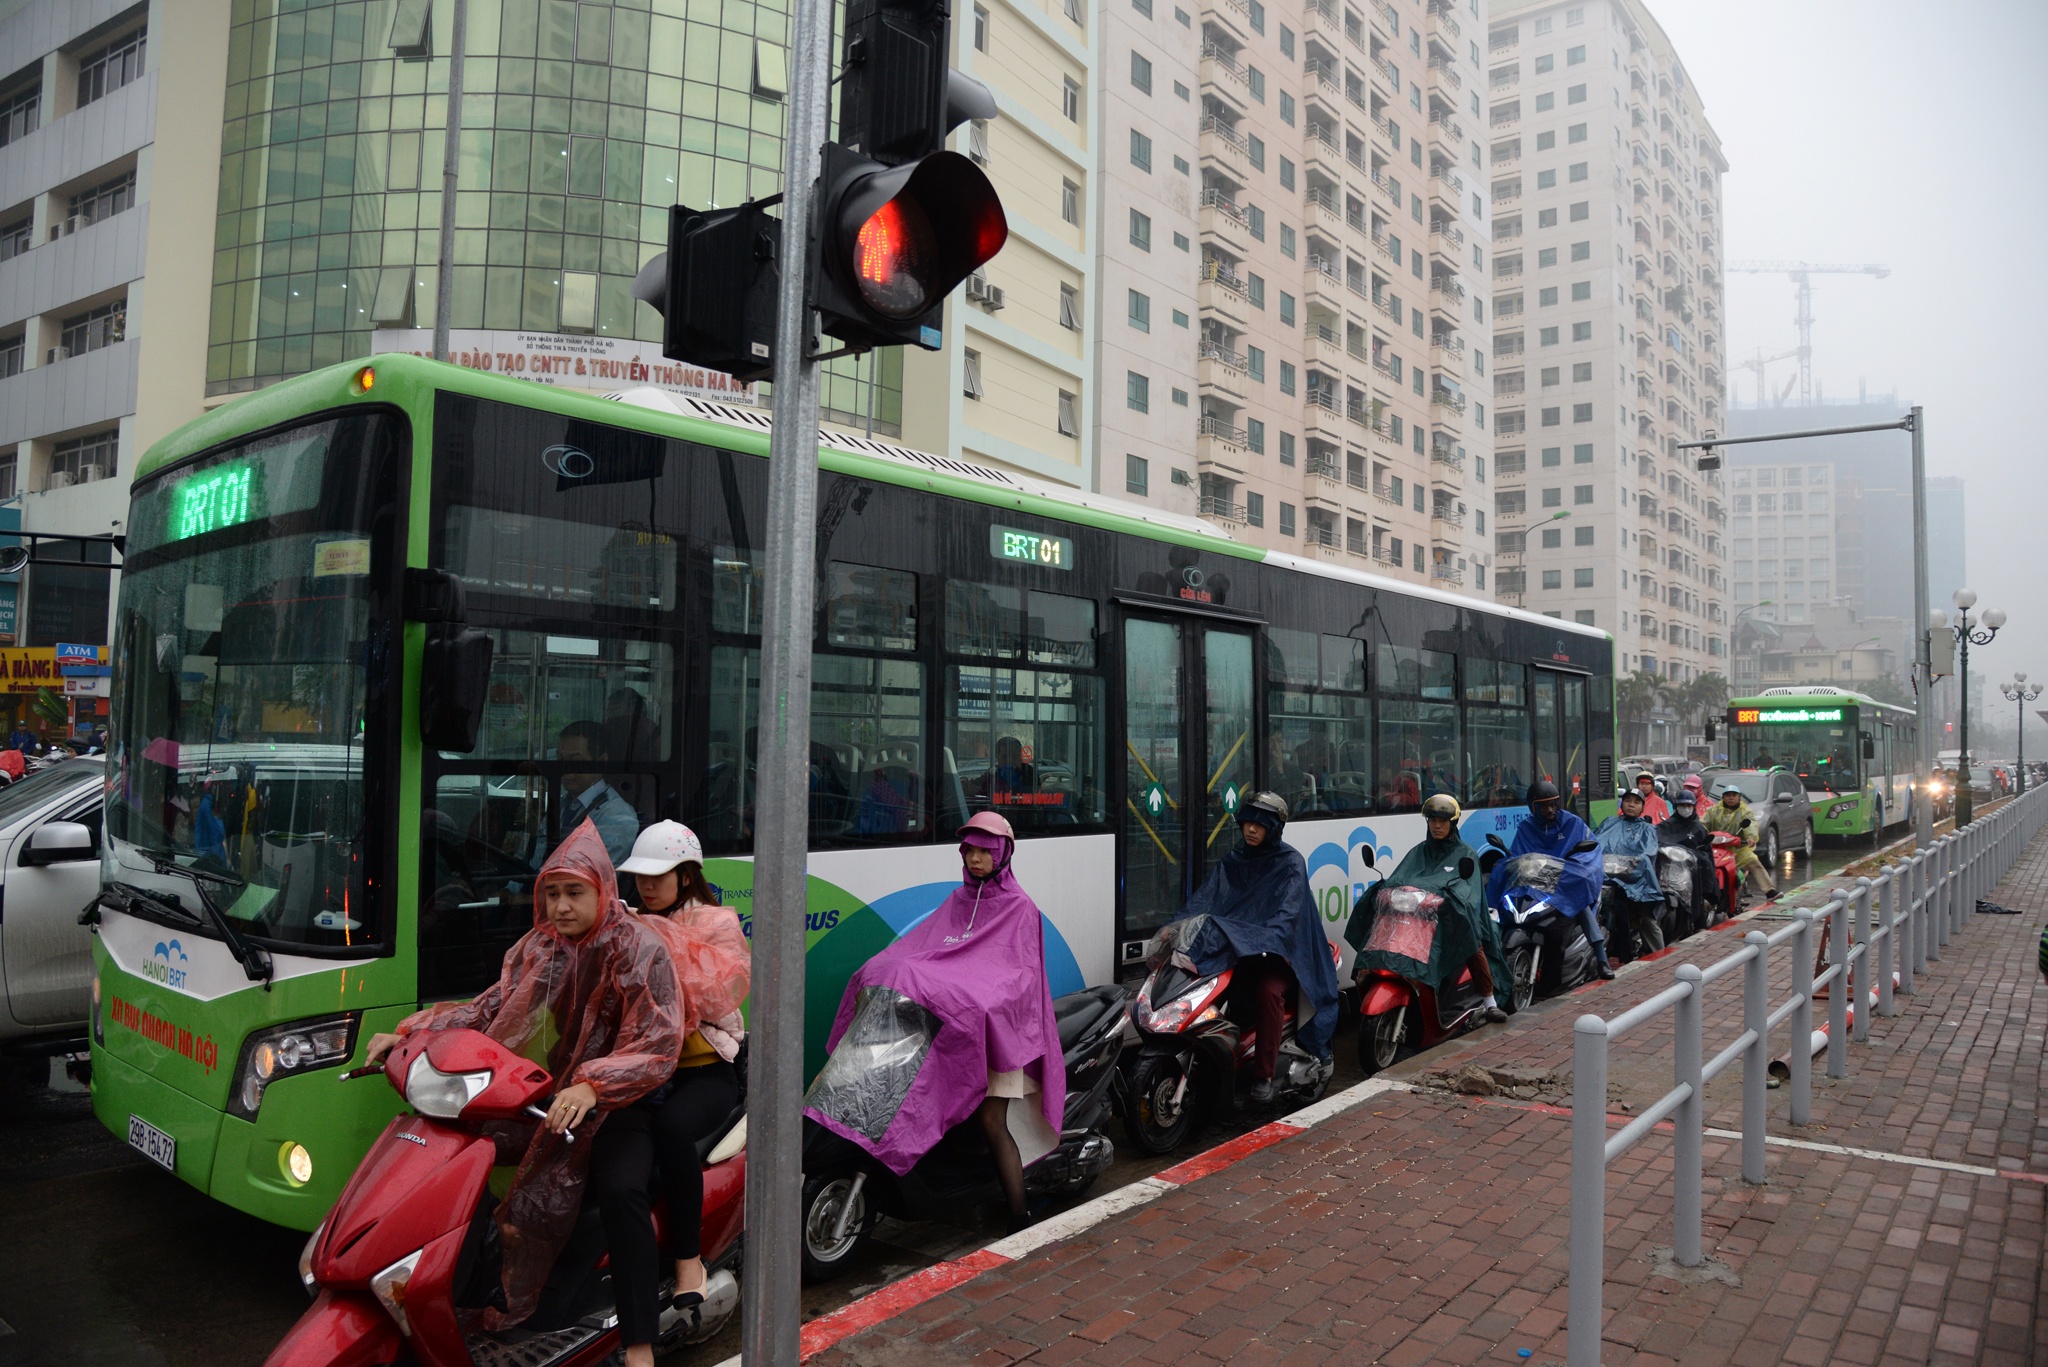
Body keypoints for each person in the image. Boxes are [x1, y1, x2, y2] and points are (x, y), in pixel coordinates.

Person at [361, 820, 683, 1334]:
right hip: (561, 1092)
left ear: (601, 888)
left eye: (574, 893)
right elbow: (490, 1007)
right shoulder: (544, 947)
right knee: (472, 1144)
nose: (560, 907)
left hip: (628, 1100)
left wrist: (594, 1084)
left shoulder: (641, 949)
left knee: (621, 1190)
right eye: (551, 893)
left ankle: (641, 1336)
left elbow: (657, 1044)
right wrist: (407, 1032)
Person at [807, 812, 1064, 1231]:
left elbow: (1020, 981)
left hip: (999, 1038)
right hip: (955, 1031)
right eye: (971, 850)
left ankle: (1020, 1215)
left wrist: (972, 1003)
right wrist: (882, 973)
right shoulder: (957, 901)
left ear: (1003, 854)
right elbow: (922, 951)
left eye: (986, 850)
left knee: (990, 1122)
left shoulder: (1020, 909)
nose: (977, 858)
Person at [597, 822, 752, 1355]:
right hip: (640, 1074)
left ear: (687, 875)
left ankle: (689, 1257)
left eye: (657, 876)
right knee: (613, 1182)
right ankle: (631, 1332)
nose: (645, 886)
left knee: (671, 1127)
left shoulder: (715, 923)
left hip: (704, 1070)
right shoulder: (626, 923)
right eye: (638, 877)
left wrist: (650, 936)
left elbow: (713, 992)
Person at [1162, 791, 1341, 1102]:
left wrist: (1260, 938)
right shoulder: (1234, 860)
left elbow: (1286, 917)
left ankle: (1265, 1074)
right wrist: (1176, 928)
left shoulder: (1290, 863)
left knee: (1268, 992)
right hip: (1241, 948)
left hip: (1284, 955)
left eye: (1260, 825)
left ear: (1274, 829)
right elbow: (1205, 899)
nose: (1251, 830)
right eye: (1247, 824)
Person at [1343, 793, 1510, 1022]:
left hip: (1453, 918)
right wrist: (1385, 890)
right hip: (1420, 918)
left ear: (1452, 824)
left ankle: (1489, 1001)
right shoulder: (1418, 851)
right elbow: (1398, 878)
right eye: (1433, 820)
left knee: (1472, 942)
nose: (1437, 826)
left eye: (1442, 821)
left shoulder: (1466, 854)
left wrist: (1447, 900)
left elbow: (1468, 894)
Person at [1490, 779, 1613, 978]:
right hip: (1533, 884)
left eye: (1552, 804)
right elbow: (1517, 855)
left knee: (1580, 902)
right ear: (1533, 808)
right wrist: (1506, 864)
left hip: (1563, 883)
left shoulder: (1572, 823)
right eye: (1543, 806)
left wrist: (1571, 871)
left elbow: (1588, 852)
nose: (1549, 809)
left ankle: (1601, 960)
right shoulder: (1526, 828)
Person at [552, 720, 641, 867]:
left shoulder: (617, 818)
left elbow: (596, 880)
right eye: (560, 759)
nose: (565, 768)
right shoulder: (561, 806)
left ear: (601, 761)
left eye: (576, 761)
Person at [1596, 788, 1666, 961]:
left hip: (1635, 882)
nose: (1631, 805)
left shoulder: (1647, 829)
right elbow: (1595, 844)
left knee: (1647, 920)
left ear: (1642, 807)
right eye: (1628, 801)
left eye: (1636, 802)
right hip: (1606, 878)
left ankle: (1662, 957)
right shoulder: (1609, 823)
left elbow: (1648, 854)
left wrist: (1628, 865)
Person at [1657, 788, 1714, 933]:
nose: (1685, 809)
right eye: (1682, 805)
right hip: (1668, 868)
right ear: (1676, 807)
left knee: (1696, 892)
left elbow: (1706, 853)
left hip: (1690, 871)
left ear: (1694, 807)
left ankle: (1698, 922)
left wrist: (1696, 857)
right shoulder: (1666, 826)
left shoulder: (1699, 828)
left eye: (1688, 806)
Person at [1705, 783, 1776, 898]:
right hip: (1715, 850)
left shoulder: (1745, 811)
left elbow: (1750, 825)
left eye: (1734, 795)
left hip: (1738, 850)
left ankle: (1769, 891)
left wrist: (1750, 837)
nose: (1731, 798)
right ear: (1723, 797)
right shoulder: (1713, 811)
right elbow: (1703, 825)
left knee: (1753, 860)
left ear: (1739, 797)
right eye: (1728, 795)